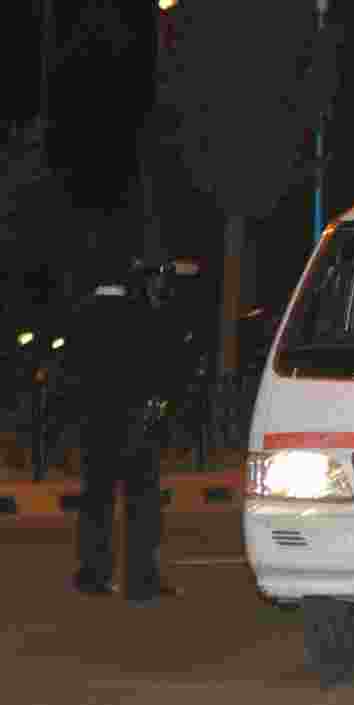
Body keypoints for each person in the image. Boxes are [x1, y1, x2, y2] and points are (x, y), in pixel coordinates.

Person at [65, 258, 184, 605]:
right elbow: (164, 367)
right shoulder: (143, 313)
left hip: (96, 424)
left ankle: (93, 575)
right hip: (136, 424)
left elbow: (69, 374)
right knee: (142, 505)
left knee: (96, 502)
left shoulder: (81, 316)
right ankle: (141, 583)